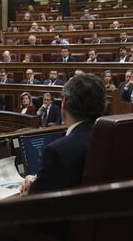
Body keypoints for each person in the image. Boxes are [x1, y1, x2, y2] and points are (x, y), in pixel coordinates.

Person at [23, 74, 106, 206]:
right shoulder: (109, 137)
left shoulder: (57, 151)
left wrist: (29, 189)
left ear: (64, 103)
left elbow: (37, 206)